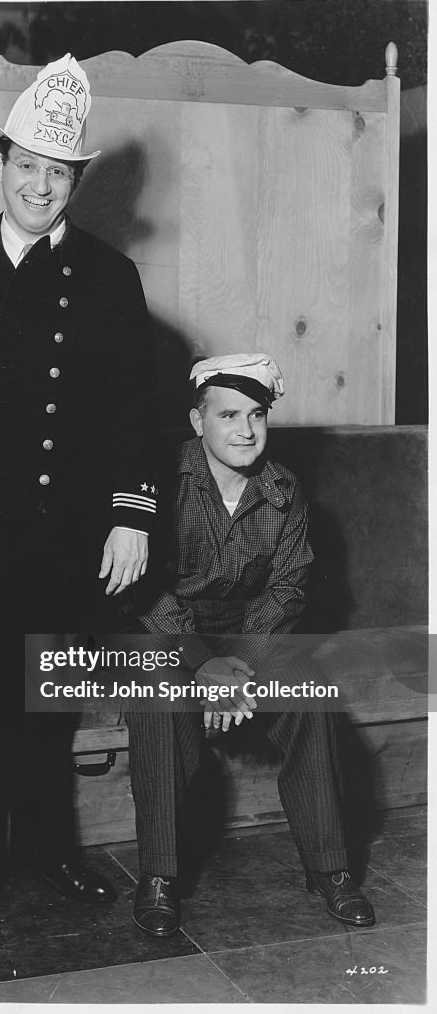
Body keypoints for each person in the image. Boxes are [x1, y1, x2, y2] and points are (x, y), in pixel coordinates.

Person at [0, 55, 157, 930]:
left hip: (63, 531)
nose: (40, 185)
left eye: (58, 173)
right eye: (27, 167)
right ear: (2, 165)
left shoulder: (109, 277)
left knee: (45, 700)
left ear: (74, 184)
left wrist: (131, 518)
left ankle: (52, 850)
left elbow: (139, 407)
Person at [125, 353, 376, 937]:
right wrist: (201, 662)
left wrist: (241, 664)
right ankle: (159, 877)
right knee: (157, 695)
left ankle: (331, 868)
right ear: (197, 421)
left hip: (249, 635)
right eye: (229, 415)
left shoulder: (283, 490)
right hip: (170, 631)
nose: (245, 430)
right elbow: (142, 593)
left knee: (311, 694)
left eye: (257, 415)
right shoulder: (159, 482)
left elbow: (290, 590)